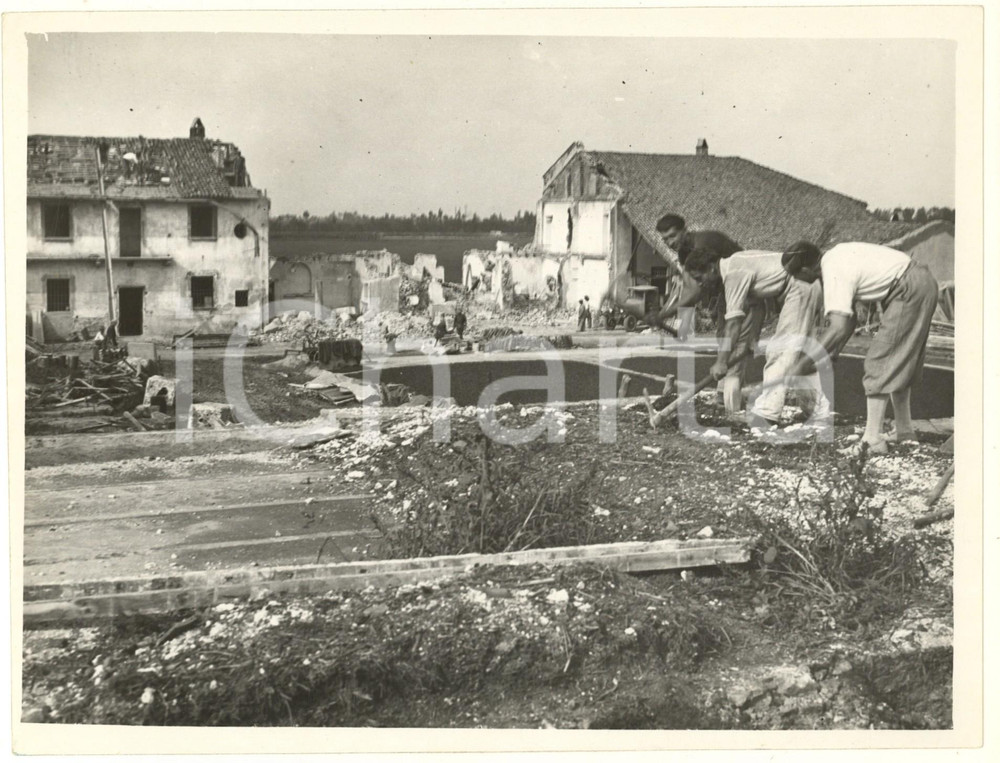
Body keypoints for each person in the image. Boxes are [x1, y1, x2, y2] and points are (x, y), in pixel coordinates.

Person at [782, 241, 938, 454]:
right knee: (902, 360)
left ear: (806, 270)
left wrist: (803, 363)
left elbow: (837, 327)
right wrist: (832, 355)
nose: (793, 279)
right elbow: (848, 321)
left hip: (907, 287)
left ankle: (872, 439)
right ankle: (904, 429)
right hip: (921, 281)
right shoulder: (835, 259)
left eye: (794, 274)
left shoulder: (833, 270)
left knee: (880, 362)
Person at [684, 247, 831, 422]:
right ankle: (817, 411)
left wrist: (721, 362)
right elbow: (757, 305)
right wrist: (753, 338)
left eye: (700, 278)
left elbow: (733, 324)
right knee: (799, 354)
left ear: (711, 268)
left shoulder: (733, 274)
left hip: (800, 286)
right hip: (806, 286)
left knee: (781, 351)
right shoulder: (736, 262)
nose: (700, 284)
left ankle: (767, 413)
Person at [653, 214, 743, 334]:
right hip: (727, 290)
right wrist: (683, 330)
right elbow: (687, 287)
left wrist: (663, 315)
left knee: (733, 339)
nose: (670, 243)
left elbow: (694, 293)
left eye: (673, 236)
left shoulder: (703, 243)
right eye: (665, 239)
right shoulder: (683, 253)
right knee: (724, 339)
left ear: (685, 231)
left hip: (745, 283)